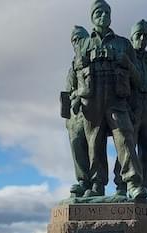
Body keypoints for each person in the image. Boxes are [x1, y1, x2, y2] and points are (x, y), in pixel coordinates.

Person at [76, 0, 147, 199]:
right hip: (92, 99)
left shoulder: (123, 43)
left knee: (125, 137)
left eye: (106, 12)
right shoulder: (83, 44)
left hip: (117, 97)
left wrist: (128, 64)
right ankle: (97, 184)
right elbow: (76, 74)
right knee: (94, 142)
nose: (103, 16)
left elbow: (138, 79)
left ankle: (132, 183)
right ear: (92, 17)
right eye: (98, 12)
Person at [114, 19, 147, 195]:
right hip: (132, 109)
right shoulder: (126, 60)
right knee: (127, 148)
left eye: (145, 35)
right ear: (132, 37)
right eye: (138, 35)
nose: (142, 38)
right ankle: (122, 186)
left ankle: (144, 189)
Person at [63, 25, 91, 197]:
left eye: (80, 39)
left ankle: (100, 184)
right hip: (77, 113)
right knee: (76, 141)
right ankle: (83, 181)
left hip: (95, 109)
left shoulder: (93, 61)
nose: (77, 43)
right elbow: (68, 90)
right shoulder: (73, 66)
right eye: (74, 40)